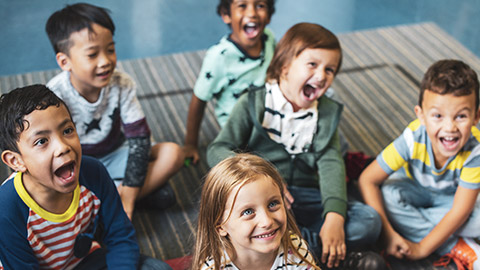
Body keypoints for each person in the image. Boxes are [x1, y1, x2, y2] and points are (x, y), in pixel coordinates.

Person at [207, 23, 385, 269]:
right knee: (221, 223)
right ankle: (328, 257)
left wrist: (334, 217)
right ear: (284, 66)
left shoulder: (325, 113)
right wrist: (261, 175)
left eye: (330, 69)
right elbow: (217, 149)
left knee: (369, 221)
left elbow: (332, 163)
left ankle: (296, 251)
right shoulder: (253, 103)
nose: (322, 76)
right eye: (312, 65)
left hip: (307, 196)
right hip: (262, 201)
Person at [0, 84, 171, 270]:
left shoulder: (93, 172)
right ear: (16, 161)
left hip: (85, 260)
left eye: (67, 131)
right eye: (42, 141)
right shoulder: (6, 209)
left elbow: (121, 236)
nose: (63, 146)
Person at [45, 3, 184, 219]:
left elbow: (139, 140)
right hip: (79, 165)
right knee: (47, 186)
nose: (106, 61)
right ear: (65, 61)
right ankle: (132, 193)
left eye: (110, 49)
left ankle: (115, 199)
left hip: (117, 153)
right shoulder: (54, 95)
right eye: (92, 54)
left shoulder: (121, 83)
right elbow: (51, 150)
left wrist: (128, 196)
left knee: (174, 154)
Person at [359, 59, 480, 269]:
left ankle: (432, 235)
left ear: (476, 117)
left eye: (461, 116)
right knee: (389, 195)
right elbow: (367, 180)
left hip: (451, 201)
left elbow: (460, 210)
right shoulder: (412, 138)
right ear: (421, 115)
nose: (449, 127)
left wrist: (422, 248)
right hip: (413, 189)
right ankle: (454, 243)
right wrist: (388, 235)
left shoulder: (476, 151)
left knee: (475, 220)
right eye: (438, 116)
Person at [183, 0, 276, 164]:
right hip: (239, 131)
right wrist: (190, 144)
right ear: (226, 15)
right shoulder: (219, 57)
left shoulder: (269, 38)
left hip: (268, 115)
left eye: (260, 5)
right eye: (242, 6)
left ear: (269, 15)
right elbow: (199, 99)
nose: (252, 13)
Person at [192, 153, 319, 270]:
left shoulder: (295, 249)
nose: (267, 221)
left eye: (272, 204)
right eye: (248, 212)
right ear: (220, 226)